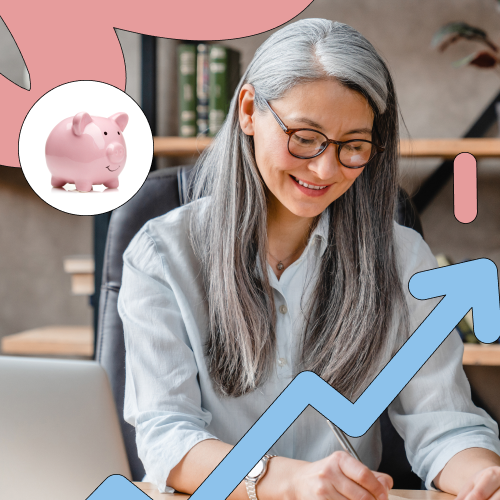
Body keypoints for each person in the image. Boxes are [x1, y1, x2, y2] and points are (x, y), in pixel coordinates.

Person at [118, 18, 500, 500]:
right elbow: (167, 437)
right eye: (304, 136)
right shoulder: (163, 255)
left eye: (354, 147)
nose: (325, 169)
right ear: (250, 110)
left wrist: (484, 478)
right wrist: (285, 482)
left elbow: (445, 424)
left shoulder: (402, 259)